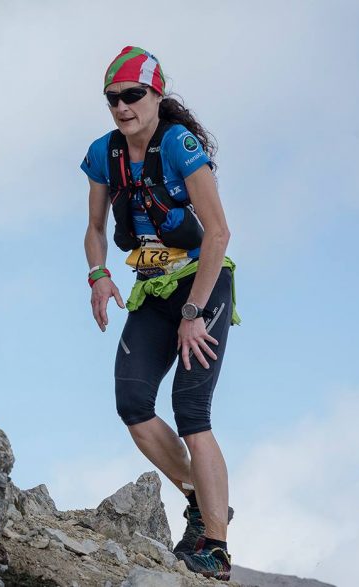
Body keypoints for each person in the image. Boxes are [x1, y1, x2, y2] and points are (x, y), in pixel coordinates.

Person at [81, 46, 240, 581]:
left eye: (133, 95)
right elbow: (98, 229)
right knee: (133, 404)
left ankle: (214, 547)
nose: (122, 107)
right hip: (152, 289)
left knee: (191, 411)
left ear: (156, 95)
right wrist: (99, 276)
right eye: (113, 99)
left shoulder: (179, 146)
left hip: (203, 287)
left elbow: (218, 232)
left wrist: (194, 310)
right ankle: (199, 498)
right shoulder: (104, 155)